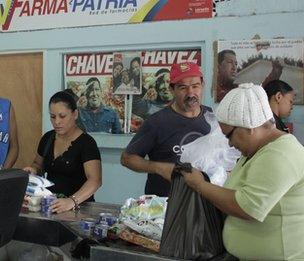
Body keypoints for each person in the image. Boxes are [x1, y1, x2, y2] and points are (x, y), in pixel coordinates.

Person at [181, 83, 304, 260]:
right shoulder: (255, 152)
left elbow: (248, 207)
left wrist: (200, 185)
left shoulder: (280, 154)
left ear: (249, 127)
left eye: (229, 135)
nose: (230, 144)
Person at [121, 62, 212, 196]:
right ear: (172, 89)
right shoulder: (157, 122)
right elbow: (127, 158)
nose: (191, 93)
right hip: (165, 207)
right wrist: (159, 168)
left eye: (195, 86)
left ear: (202, 86)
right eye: (183, 88)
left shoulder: (211, 117)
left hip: (204, 201)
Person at [23, 91, 102, 213]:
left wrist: (72, 201)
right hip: (51, 206)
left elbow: (95, 180)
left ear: (75, 114)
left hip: (80, 210)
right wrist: (33, 170)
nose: (57, 122)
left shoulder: (87, 143)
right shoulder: (47, 138)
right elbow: (37, 164)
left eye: (62, 116)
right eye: (53, 117)